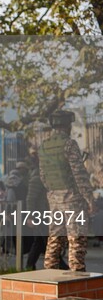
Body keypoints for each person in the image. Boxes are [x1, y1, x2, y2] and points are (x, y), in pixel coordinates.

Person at [39, 110, 97, 271]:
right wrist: (89, 199)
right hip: (72, 199)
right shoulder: (69, 144)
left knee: (55, 239)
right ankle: (77, 278)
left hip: (53, 198)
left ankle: (49, 274)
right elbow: (79, 175)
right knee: (76, 239)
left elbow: (43, 177)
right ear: (66, 125)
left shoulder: (43, 146)